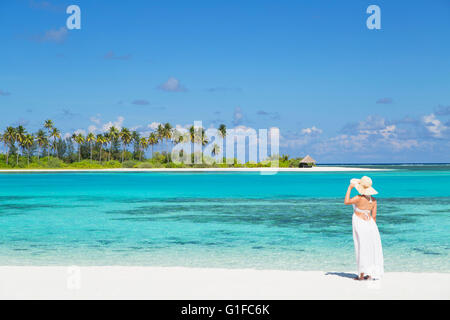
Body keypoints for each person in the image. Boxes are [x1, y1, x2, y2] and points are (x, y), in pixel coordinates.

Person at [344, 176, 384, 280]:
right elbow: (374, 216)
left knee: (361, 246)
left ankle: (361, 275)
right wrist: (371, 227)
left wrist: (349, 188)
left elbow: (346, 202)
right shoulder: (374, 200)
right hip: (371, 224)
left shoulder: (358, 198)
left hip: (359, 223)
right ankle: (370, 274)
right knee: (370, 248)